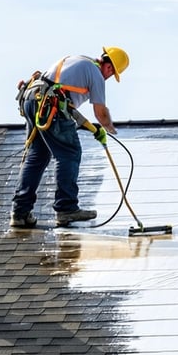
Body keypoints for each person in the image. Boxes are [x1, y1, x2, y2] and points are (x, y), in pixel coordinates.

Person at [11, 46, 130, 228]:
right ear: (109, 68)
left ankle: (20, 212)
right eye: (112, 75)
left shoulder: (80, 60)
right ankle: (66, 208)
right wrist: (110, 129)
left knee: (38, 156)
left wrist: (94, 129)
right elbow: (101, 113)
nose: (109, 78)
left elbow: (70, 109)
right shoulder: (97, 75)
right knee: (69, 153)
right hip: (50, 105)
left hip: (33, 99)